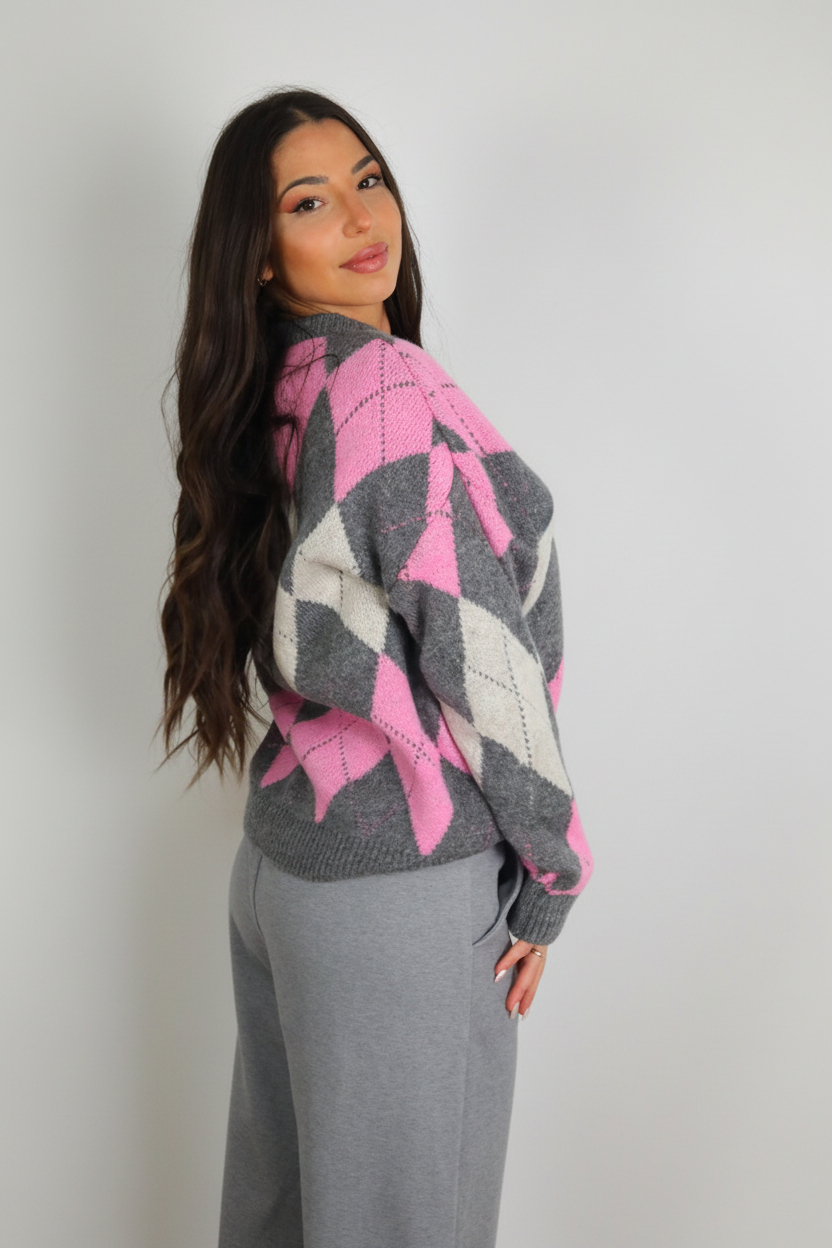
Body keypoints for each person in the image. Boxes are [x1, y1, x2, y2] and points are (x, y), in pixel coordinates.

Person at [159, 87, 593, 1248]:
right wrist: (553, 869)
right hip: (399, 886)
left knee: (280, 1219)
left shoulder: (272, 389)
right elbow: (471, 641)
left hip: (284, 875)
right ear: (260, 255)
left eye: (368, 179)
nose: (361, 216)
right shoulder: (386, 387)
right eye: (310, 201)